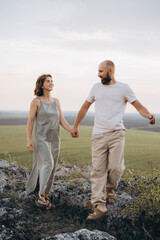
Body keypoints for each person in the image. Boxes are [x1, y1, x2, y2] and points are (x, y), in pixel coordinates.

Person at [71, 60, 156, 220]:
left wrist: (149, 115)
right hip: (98, 135)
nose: (98, 74)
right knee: (97, 170)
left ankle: (110, 188)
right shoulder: (96, 88)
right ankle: (99, 205)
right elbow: (84, 107)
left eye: (101, 71)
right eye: (98, 71)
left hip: (117, 133)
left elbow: (138, 106)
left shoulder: (124, 88)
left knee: (116, 167)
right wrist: (75, 126)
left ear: (110, 71)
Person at [26, 74, 72, 209]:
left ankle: (46, 194)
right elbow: (30, 121)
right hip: (41, 139)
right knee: (48, 164)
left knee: (52, 168)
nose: (51, 83)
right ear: (41, 84)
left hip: (55, 140)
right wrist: (29, 139)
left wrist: (71, 130)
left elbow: (61, 119)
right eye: (48, 81)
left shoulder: (56, 101)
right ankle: (40, 197)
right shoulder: (36, 101)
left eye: (52, 81)